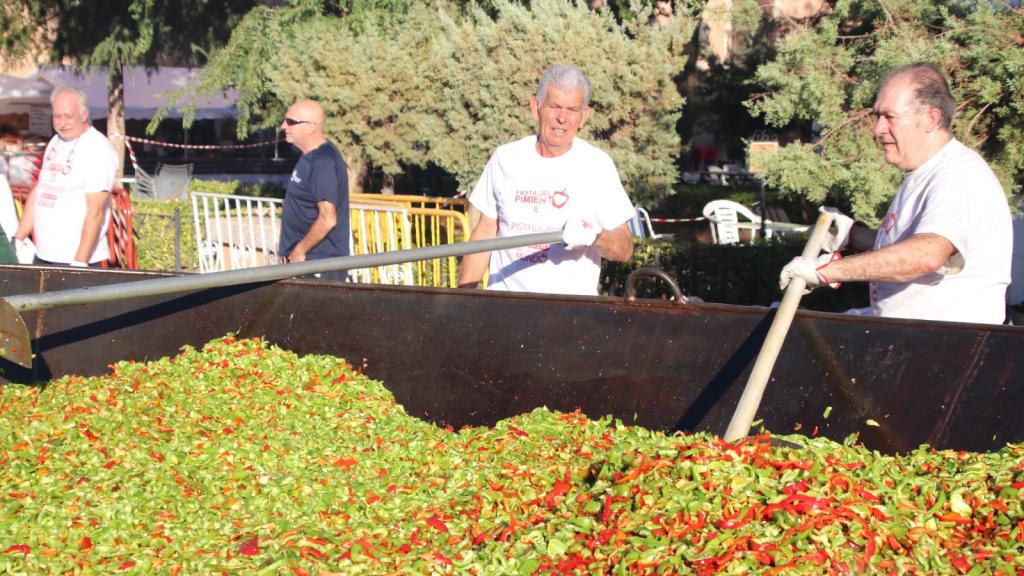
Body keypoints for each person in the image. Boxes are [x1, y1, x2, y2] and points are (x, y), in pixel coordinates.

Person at [780, 62, 1012, 324]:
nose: (877, 129)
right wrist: (856, 236)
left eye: (889, 117)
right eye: (878, 116)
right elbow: (914, 244)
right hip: (917, 343)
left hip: (949, 353)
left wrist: (826, 271)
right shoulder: (925, 172)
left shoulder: (958, 176)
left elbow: (926, 255)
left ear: (930, 119)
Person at [457, 64, 635, 295]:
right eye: (554, 106)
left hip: (568, 313)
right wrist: (462, 300)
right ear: (536, 107)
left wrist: (596, 236)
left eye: (572, 110)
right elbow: (484, 234)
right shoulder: (505, 158)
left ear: (584, 116)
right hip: (505, 306)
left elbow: (625, 248)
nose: (562, 118)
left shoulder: (597, 166)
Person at [12, 86, 117, 268]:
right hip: (44, 255)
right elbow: (40, 191)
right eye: (56, 116)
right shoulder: (56, 141)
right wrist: (18, 238)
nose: (62, 123)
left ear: (84, 114)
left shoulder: (97, 148)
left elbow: (96, 212)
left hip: (74, 260)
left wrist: (79, 263)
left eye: (68, 116)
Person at [278, 99, 350, 281]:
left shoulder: (323, 162)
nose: (283, 126)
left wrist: (299, 251)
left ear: (311, 127)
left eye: (291, 122)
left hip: (318, 264)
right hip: (304, 262)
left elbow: (328, 218)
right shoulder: (309, 157)